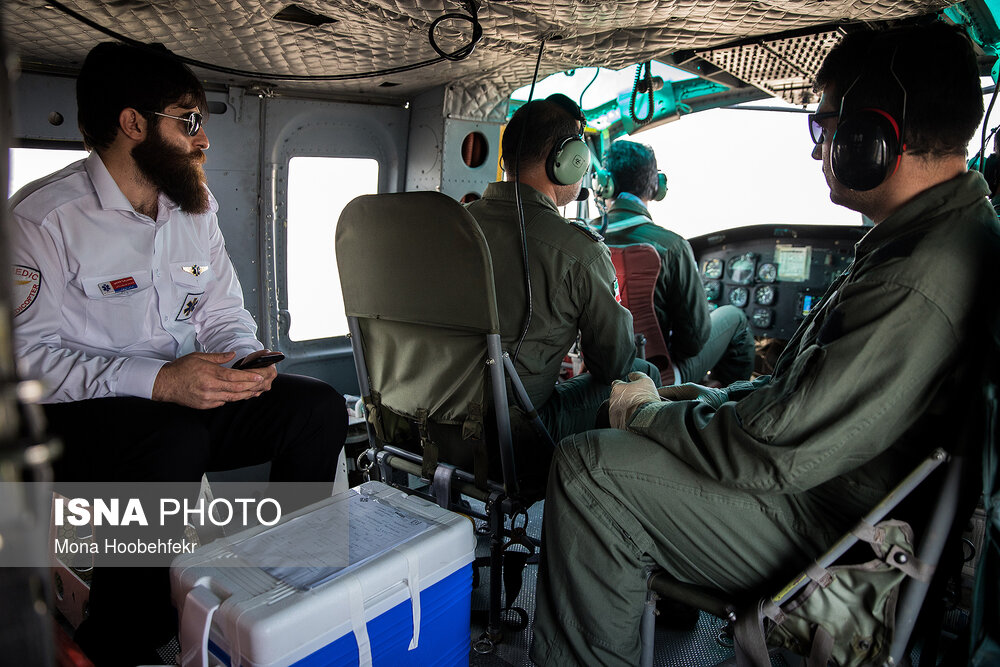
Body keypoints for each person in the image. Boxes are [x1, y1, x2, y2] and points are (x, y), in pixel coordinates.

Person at [531, 23, 1000, 666]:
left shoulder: (916, 277)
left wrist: (647, 414)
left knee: (589, 469)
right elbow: (786, 396)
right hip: (831, 493)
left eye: (824, 128)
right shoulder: (928, 239)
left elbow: (772, 445)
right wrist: (681, 399)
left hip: (838, 530)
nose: (818, 150)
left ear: (872, 138)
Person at [9, 42, 347, 666]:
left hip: (177, 400)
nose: (203, 139)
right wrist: (159, 380)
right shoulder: (43, 219)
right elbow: (26, 361)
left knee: (317, 408)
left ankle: (279, 593)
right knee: (173, 442)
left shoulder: (195, 208)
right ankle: (123, 635)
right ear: (133, 123)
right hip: (73, 419)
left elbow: (221, 312)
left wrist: (245, 360)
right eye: (188, 120)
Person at [465, 94, 659, 467]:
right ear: (568, 160)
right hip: (514, 435)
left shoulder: (455, 224)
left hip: (433, 420)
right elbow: (614, 364)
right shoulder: (579, 250)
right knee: (641, 374)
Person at [599, 140, 755, 384]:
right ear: (656, 186)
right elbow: (693, 343)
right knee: (735, 318)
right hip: (658, 378)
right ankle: (723, 400)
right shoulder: (672, 246)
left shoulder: (584, 238)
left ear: (604, 183)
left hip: (598, 374)